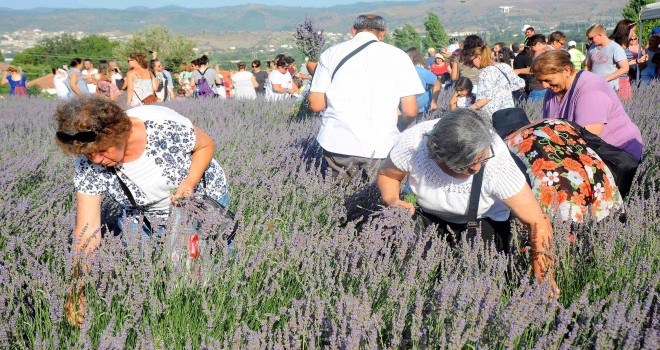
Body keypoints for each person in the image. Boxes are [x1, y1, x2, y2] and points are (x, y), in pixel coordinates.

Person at [55, 95, 229, 326]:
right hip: (144, 214)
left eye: (103, 150)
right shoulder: (89, 164)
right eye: (88, 154)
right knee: (155, 278)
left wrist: (189, 183)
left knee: (207, 271)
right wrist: (76, 293)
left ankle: (211, 319)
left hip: (197, 202)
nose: (96, 159)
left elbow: (205, 144)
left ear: (119, 133)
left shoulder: (162, 128)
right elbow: (87, 233)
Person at [377, 109, 556, 290]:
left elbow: (537, 222)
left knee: (475, 283)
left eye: (483, 160)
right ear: (439, 156)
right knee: (412, 272)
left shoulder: (498, 165)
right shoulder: (414, 144)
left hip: (483, 221)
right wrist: (392, 200)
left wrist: (544, 279)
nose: (477, 169)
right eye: (468, 166)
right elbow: (388, 176)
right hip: (429, 218)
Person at [308, 14, 424, 182]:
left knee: (336, 201)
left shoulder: (330, 54)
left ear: (353, 30)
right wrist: (399, 127)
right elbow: (411, 110)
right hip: (381, 144)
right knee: (378, 202)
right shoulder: (398, 56)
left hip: (338, 142)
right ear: (382, 33)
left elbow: (316, 104)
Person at [531, 50, 642, 197]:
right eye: (540, 81)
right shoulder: (554, 90)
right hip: (586, 156)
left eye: (548, 80)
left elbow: (585, 139)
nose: (544, 86)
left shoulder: (591, 90)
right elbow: (551, 123)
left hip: (616, 157)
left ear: (566, 70)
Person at [492, 108, 623, 222]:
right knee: (608, 225)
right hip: (600, 181)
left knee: (568, 237)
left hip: (562, 196)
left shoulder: (507, 145)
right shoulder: (557, 122)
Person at [469, 45, 525, 117]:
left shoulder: (485, 73)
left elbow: (485, 98)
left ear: (479, 57)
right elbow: (520, 83)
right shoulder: (505, 66)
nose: (472, 64)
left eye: (472, 60)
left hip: (494, 115)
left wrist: (468, 109)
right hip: (509, 111)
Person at [585, 24, 629, 93]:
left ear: (600, 35)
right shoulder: (592, 48)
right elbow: (588, 67)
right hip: (595, 87)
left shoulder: (615, 48)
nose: (590, 41)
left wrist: (605, 79)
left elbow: (625, 68)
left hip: (610, 88)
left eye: (591, 38)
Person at [406, 48, 440, 123]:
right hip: (406, 110)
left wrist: (434, 101)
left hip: (422, 110)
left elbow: (436, 83)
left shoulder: (422, 72)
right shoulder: (399, 72)